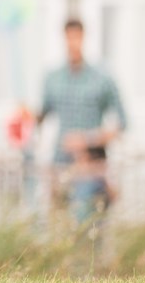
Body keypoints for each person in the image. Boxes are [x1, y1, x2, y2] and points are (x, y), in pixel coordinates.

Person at [37, 18, 127, 224]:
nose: (73, 43)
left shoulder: (103, 78)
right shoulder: (52, 78)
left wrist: (86, 139)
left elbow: (122, 123)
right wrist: (27, 115)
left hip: (91, 166)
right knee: (60, 228)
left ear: (84, 37)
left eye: (77, 37)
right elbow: (42, 115)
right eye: (69, 37)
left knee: (89, 226)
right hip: (60, 166)